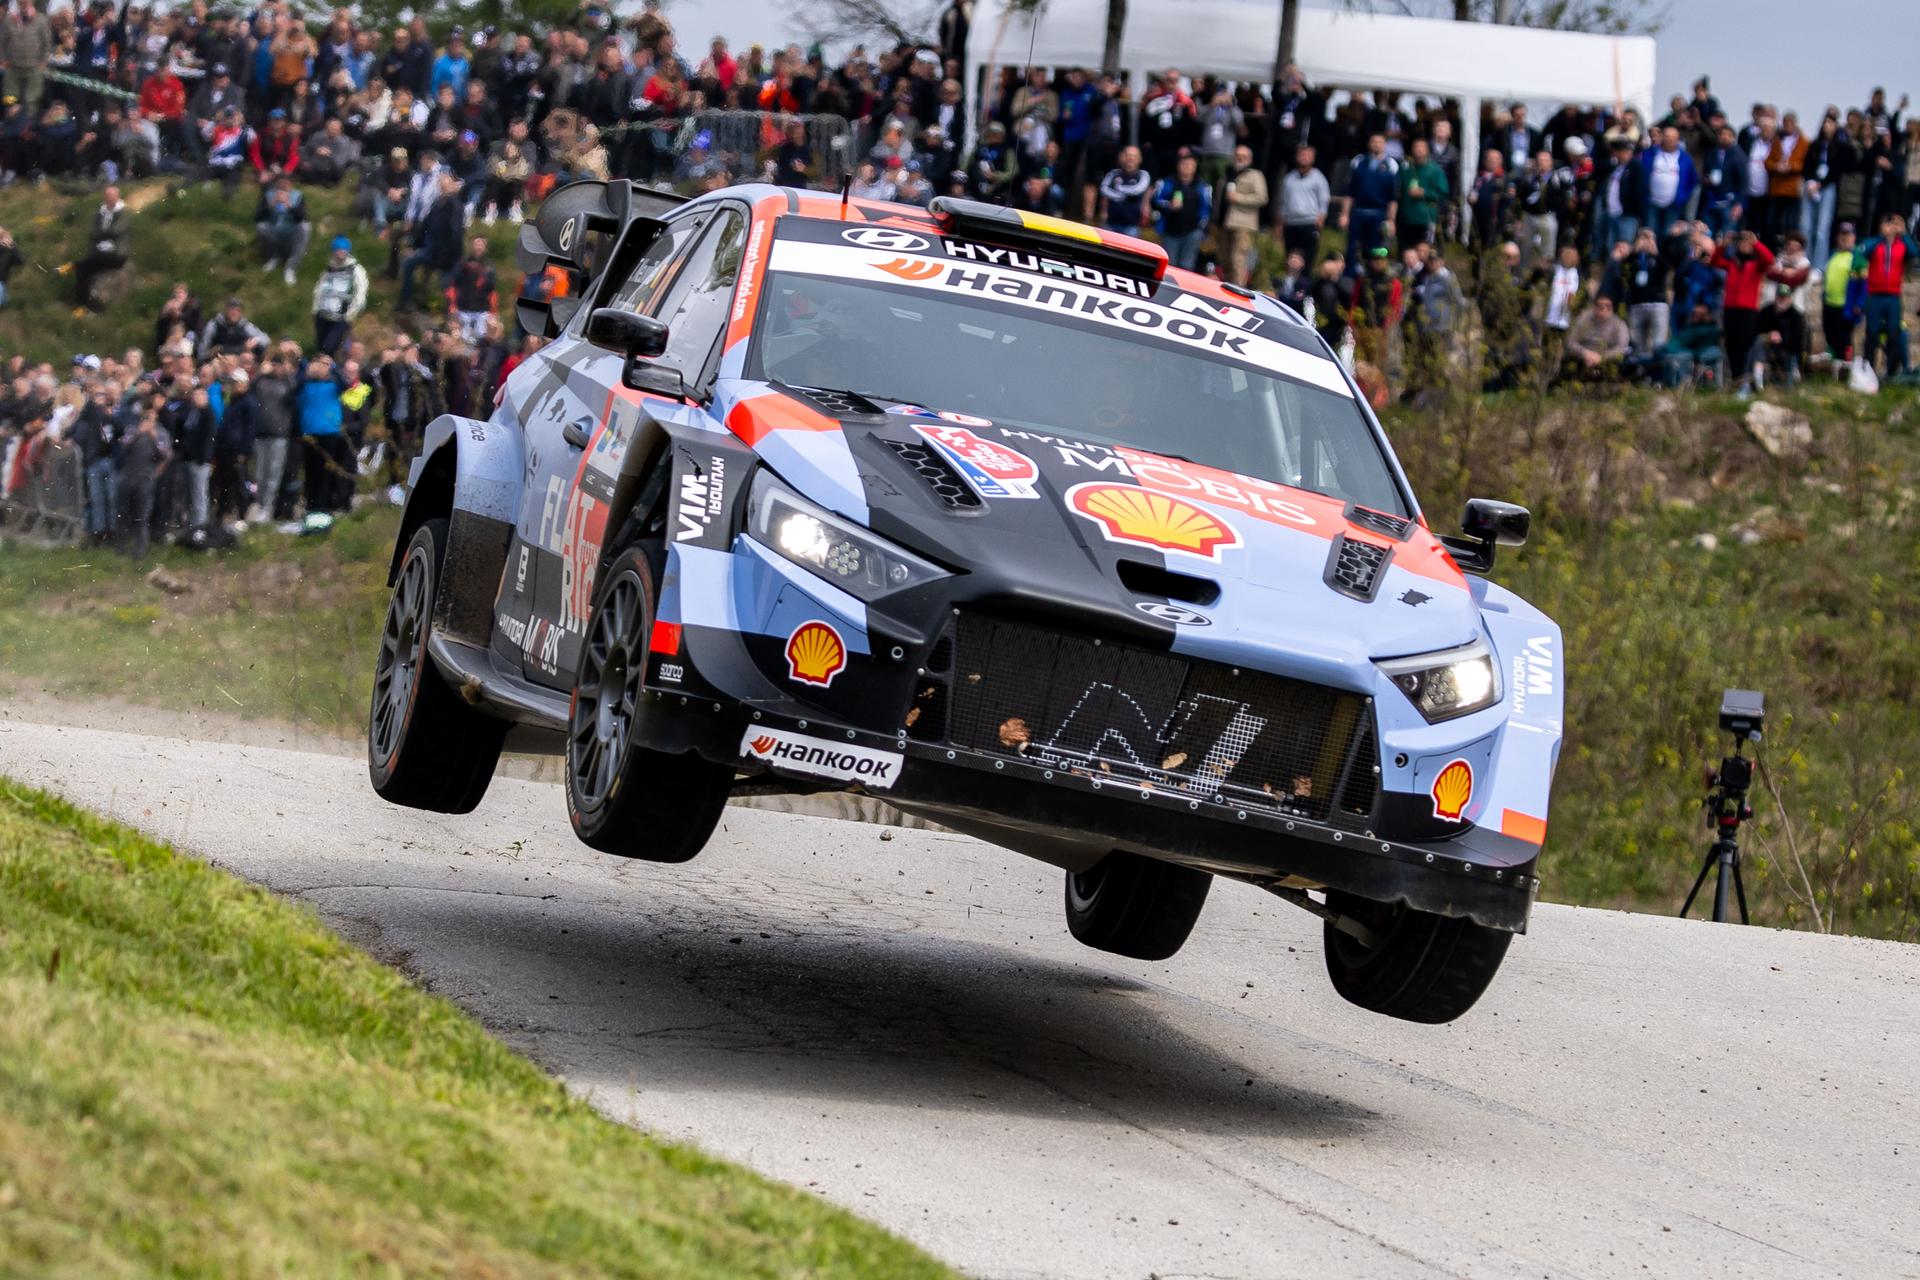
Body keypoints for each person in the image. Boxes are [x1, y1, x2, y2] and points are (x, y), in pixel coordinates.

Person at [1710, 228, 1776, 385]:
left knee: (1746, 345)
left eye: (1747, 243)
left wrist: (1756, 243)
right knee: (1731, 345)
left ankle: (1746, 378)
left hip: (1748, 311)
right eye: (1741, 243)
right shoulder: (1732, 263)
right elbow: (1715, 261)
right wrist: (1724, 244)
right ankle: (1736, 379)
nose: (1744, 246)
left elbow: (1769, 259)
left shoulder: (1756, 264)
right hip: (1731, 310)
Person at [1858, 211, 1919, 377]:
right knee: (1871, 333)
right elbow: (1865, 252)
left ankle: (1891, 372)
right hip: (1875, 296)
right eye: (1888, 223)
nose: (1891, 227)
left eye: (1894, 223)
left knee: (1894, 332)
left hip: (1893, 296)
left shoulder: (1901, 245)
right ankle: (1868, 370)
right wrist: (1881, 236)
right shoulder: (1875, 243)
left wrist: (1904, 233)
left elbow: (1914, 253)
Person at [398, 170, 464, 313]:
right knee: (408, 262)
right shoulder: (437, 203)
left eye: (446, 183)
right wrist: (414, 246)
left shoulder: (455, 206)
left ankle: (451, 313)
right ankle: (406, 301)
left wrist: (445, 257)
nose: (442, 186)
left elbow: (455, 235)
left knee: (446, 285)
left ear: (453, 186)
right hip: (430, 251)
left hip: (446, 256)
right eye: (441, 183)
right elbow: (424, 228)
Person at [297, 353, 353, 516]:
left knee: (327, 471)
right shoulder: (306, 386)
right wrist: (304, 365)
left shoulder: (333, 386)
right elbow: (295, 384)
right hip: (309, 433)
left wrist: (332, 366)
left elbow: (345, 384)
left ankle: (325, 505)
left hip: (329, 433)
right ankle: (311, 505)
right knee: (310, 471)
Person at [71, 184, 131, 313]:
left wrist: (102, 233)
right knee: (82, 271)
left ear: (117, 197)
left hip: (116, 253)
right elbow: (92, 232)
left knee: (88, 262)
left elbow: (116, 230)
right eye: (108, 196)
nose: (110, 198)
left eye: (113, 196)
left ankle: (75, 264)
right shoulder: (100, 213)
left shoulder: (124, 212)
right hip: (100, 252)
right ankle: (81, 304)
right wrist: (104, 233)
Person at [248, 355, 295, 521]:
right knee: (260, 473)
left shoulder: (287, 382)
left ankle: (267, 507)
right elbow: (250, 391)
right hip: (260, 433)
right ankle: (260, 504)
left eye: (278, 365)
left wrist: (288, 373)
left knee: (274, 472)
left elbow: (295, 393)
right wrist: (259, 373)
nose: (275, 368)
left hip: (279, 434)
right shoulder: (261, 381)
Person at [1343, 132, 1398, 267]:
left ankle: (1373, 276)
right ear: (1369, 144)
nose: (1376, 145)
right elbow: (1350, 192)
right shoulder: (1358, 162)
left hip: (1379, 213)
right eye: (1374, 142)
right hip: (1359, 212)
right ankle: (1351, 275)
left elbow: (1393, 197)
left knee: (1377, 250)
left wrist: (1391, 220)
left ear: (1385, 145)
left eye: (1380, 142)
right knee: (1353, 248)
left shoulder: (1391, 165)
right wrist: (1344, 214)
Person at [1151, 149, 1209, 271]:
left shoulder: (1202, 186)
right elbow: (1155, 201)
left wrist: (1201, 228)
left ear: (1195, 167)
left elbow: (1206, 208)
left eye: (1191, 164)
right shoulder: (1167, 182)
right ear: (1178, 166)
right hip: (1170, 230)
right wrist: (1169, 205)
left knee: (1187, 266)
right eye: (1184, 164)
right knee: (1169, 265)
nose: (1187, 167)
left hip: (1192, 231)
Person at [312, 236, 368, 355]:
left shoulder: (355, 270)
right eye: (337, 249)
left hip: (341, 317)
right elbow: (319, 291)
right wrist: (315, 310)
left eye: (343, 249)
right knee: (320, 347)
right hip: (323, 315)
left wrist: (350, 314)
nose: (340, 252)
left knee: (329, 348)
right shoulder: (329, 270)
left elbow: (360, 293)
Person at [1220, 144, 1266, 286]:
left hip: (1244, 224)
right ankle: (1225, 289)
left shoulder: (1255, 175)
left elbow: (1262, 198)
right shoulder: (1229, 173)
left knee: (1238, 261)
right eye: (1237, 156)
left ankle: (1237, 290)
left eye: (1244, 157)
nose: (1240, 159)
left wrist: (1237, 198)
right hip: (1226, 222)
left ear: (1250, 159)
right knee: (1225, 259)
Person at [1278, 143, 1330, 265]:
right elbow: (1283, 202)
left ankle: (1305, 278)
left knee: (1308, 259)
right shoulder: (1289, 178)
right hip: (1291, 223)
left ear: (1313, 158)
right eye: (1302, 155)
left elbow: (1323, 201)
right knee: (1290, 259)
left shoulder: (1319, 178)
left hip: (1309, 223)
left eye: (1308, 155)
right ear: (1296, 157)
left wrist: (1320, 220)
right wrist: (1280, 223)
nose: (1304, 158)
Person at [254, 176, 311, 285]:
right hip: (274, 234)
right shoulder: (269, 195)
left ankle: (291, 267)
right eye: (280, 184)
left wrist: (289, 205)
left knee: (305, 227)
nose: (283, 187)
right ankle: (273, 257)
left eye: (286, 185)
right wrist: (271, 205)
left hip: (291, 235)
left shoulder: (298, 196)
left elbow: (303, 218)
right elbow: (257, 217)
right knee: (261, 227)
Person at [1821, 221, 1863, 360]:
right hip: (1829, 303)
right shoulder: (1833, 254)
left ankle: (1845, 364)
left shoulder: (1857, 257)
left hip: (1845, 305)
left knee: (1843, 338)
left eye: (1848, 234)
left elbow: (1864, 283)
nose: (1844, 238)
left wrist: (1859, 303)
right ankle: (1833, 363)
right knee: (1830, 334)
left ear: (1854, 237)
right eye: (1842, 234)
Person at [1, 0, 52, 114]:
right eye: (21, 1)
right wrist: (3, 59)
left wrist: (43, 61)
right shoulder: (9, 20)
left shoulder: (42, 20)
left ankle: (29, 123)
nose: (23, 2)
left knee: (31, 100)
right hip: (12, 67)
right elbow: (2, 42)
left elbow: (47, 43)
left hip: (34, 68)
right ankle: (11, 122)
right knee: (10, 98)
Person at [1396, 137, 1448, 249]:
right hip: (1406, 218)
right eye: (1416, 147)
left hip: (1426, 218)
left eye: (1422, 147)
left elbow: (1443, 193)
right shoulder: (1405, 169)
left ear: (1427, 150)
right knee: (1406, 251)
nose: (1419, 149)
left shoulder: (1435, 170)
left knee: (1425, 251)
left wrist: (1425, 193)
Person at [1563, 294, 1629, 380]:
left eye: (1607, 306)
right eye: (1599, 305)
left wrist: (1602, 357)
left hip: (1607, 357)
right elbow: (1570, 341)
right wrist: (1584, 353)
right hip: (1582, 356)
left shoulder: (1619, 324)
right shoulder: (1583, 318)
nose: (1603, 308)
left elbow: (1622, 348)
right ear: (1594, 306)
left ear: (1612, 308)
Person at [446, 236, 497, 343]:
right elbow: (452, 286)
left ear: (485, 248)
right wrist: (452, 306)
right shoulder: (462, 264)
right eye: (476, 244)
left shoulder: (490, 267)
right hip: (463, 308)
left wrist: (493, 312)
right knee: (463, 339)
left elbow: (492, 291)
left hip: (482, 310)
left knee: (481, 338)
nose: (478, 247)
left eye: (481, 244)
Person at [1096, 145, 1151, 235]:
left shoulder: (1143, 175)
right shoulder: (1113, 173)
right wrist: (1119, 196)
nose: (1130, 159)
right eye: (1127, 155)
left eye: (1134, 156)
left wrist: (1119, 188)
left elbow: (1138, 190)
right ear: (1121, 156)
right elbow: (1103, 189)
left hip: (1132, 227)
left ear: (1140, 159)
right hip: (1110, 224)